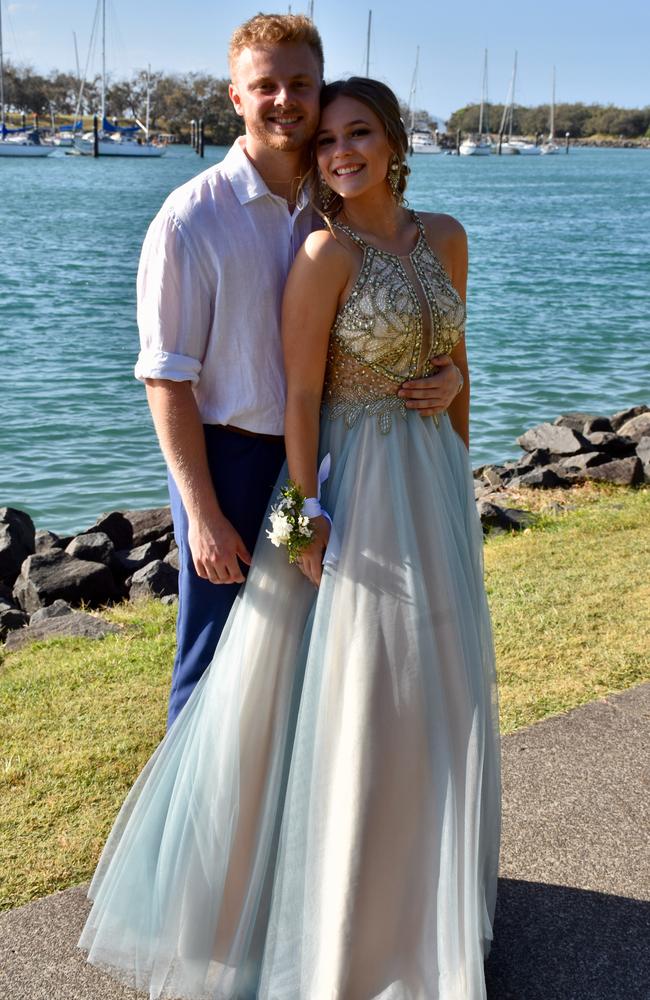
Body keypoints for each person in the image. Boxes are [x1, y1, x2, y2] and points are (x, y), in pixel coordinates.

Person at [79, 74, 500, 999]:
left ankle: (424, 900)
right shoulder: (322, 253)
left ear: (394, 141)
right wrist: (303, 515)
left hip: (430, 480)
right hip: (354, 479)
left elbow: (457, 361)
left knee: (437, 686)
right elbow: (301, 394)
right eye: (327, 142)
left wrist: (451, 413)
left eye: (358, 134)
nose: (340, 152)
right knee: (357, 695)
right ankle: (338, 926)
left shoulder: (449, 238)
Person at [135, 13, 464, 728]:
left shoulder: (331, 202)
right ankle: (197, 839)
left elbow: (397, 327)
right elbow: (166, 380)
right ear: (235, 98)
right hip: (233, 462)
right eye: (266, 86)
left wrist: (451, 381)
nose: (284, 99)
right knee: (217, 661)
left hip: (329, 459)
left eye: (300, 84)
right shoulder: (190, 220)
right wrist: (203, 517)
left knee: (304, 659)